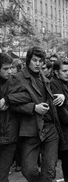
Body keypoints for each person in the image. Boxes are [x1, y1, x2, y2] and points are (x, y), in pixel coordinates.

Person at [7, 47, 65, 182]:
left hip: (50, 127)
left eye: (40, 61)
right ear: (28, 61)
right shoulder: (18, 78)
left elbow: (49, 96)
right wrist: (33, 107)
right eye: (34, 60)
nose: (38, 64)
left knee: (50, 170)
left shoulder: (44, 78)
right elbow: (11, 101)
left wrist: (61, 96)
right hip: (31, 129)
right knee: (29, 170)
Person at [0, 53, 18, 182]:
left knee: (3, 174)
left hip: (9, 135)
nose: (9, 71)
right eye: (5, 69)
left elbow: (26, 95)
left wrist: (7, 100)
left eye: (10, 68)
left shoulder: (14, 81)